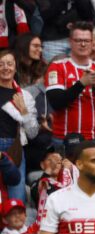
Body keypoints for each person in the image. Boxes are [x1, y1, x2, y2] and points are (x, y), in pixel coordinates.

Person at [44, 22, 95, 143]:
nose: (83, 44)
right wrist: (81, 84)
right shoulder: (56, 67)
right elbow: (56, 103)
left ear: (92, 43)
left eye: (87, 41)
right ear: (70, 42)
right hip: (64, 138)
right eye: (78, 40)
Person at [0, 48, 39, 202]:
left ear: (15, 68)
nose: (6, 68)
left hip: (14, 147)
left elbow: (32, 133)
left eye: (10, 64)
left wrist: (23, 110)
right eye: (1, 64)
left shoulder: (25, 96)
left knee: (17, 197)